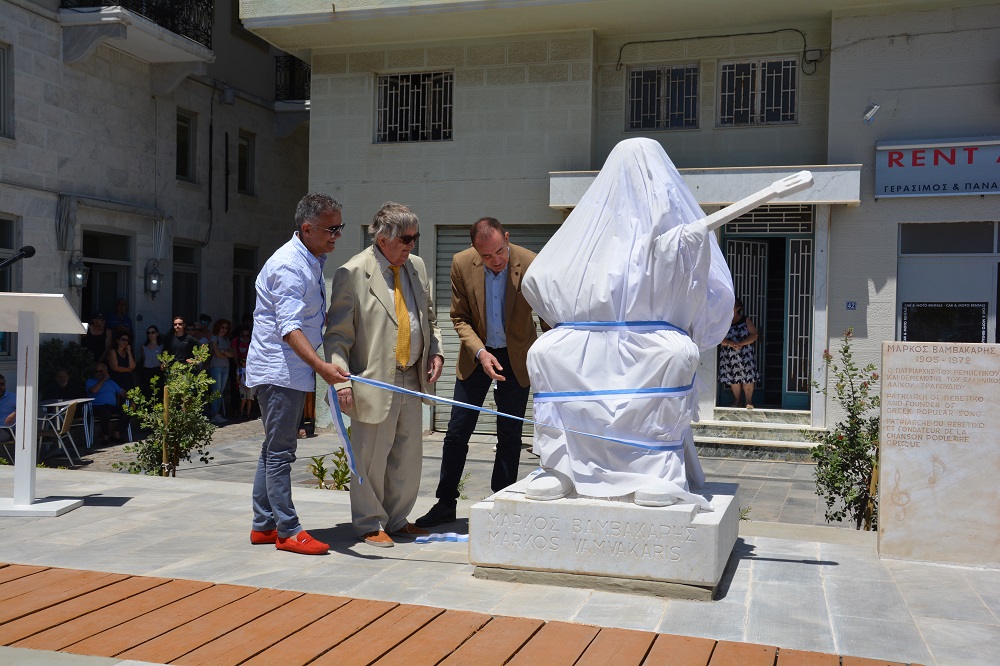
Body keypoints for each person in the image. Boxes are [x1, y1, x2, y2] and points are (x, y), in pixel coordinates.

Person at [325, 201, 444, 548]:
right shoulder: (352, 272)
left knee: (407, 458)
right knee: (371, 458)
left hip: (412, 377)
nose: (412, 245)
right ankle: (368, 523)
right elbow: (337, 335)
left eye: (415, 238)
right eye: (405, 239)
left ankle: (398, 519)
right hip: (374, 380)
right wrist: (341, 381)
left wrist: (435, 350)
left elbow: (428, 317)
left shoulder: (416, 267)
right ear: (382, 237)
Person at [416, 217, 546, 528]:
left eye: (500, 252)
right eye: (486, 256)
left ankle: (500, 504)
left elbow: (547, 314)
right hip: (477, 356)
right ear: (475, 250)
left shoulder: (531, 263)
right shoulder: (461, 264)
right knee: (457, 432)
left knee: (510, 434)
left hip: (516, 358)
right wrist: (480, 352)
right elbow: (459, 317)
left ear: (507, 238)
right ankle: (445, 503)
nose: (496, 260)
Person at [246, 192, 350, 556]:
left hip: (288, 371)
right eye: (331, 229)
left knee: (273, 449)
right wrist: (322, 367)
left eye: (339, 227)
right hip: (279, 371)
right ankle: (288, 531)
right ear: (307, 229)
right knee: (280, 453)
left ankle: (263, 525)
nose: (337, 235)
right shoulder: (290, 266)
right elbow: (289, 328)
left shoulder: (311, 258)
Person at [719, 297, 760, 409]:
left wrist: (741, 343)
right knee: (734, 378)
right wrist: (729, 343)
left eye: (732, 306)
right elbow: (718, 338)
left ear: (738, 308)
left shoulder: (745, 320)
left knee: (748, 377)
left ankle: (749, 401)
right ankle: (737, 401)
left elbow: (754, 335)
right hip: (729, 355)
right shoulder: (724, 321)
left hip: (745, 354)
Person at [85, 362, 127, 444]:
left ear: (106, 371)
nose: (99, 373)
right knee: (105, 413)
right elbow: (94, 390)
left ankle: (116, 434)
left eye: (101, 371)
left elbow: (122, 393)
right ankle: (105, 437)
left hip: (111, 406)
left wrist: (132, 398)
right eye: (96, 371)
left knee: (127, 411)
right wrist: (103, 380)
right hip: (97, 406)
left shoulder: (111, 383)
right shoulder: (90, 381)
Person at [208, 319, 234, 424]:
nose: (224, 330)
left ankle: (217, 412)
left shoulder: (227, 339)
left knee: (221, 390)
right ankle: (214, 414)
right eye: (222, 327)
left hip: (225, 366)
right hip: (216, 366)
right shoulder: (214, 338)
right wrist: (224, 353)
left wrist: (223, 352)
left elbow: (232, 354)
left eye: (226, 328)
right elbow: (217, 352)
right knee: (216, 390)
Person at [232, 326, 254, 418]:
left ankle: (248, 413)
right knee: (240, 396)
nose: (245, 337)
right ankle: (238, 410)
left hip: (249, 365)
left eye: (247, 335)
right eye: (243, 335)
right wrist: (238, 364)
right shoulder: (236, 341)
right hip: (238, 364)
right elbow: (234, 354)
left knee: (249, 399)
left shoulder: (251, 341)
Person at [138, 325, 164, 395]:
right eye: (148, 333)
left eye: (153, 332)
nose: (150, 335)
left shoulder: (161, 346)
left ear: (157, 333)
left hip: (157, 371)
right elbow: (142, 359)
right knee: (147, 392)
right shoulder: (144, 347)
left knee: (157, 392)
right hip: (146, 372)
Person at [0, 375, 15, 444]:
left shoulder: (12, 397)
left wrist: (15, 413)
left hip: (5, 430)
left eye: (2, 384)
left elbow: (26, 408)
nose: (0, 387)